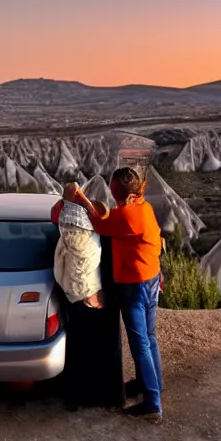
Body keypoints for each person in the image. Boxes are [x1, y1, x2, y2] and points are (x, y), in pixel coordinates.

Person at [61, 168, 164, 422]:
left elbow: (97, 222)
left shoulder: (126, 216)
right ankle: (151, 386)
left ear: (118, 191)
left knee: (139, 343)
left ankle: (152, 404)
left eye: (113, 187)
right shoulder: (144, 208)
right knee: (150, 338)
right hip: (151, 279)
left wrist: (80, 197)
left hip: (134, 285)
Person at [47, 194, 124, 410]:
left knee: (78, 347)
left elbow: (58, 271)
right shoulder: (100, 238)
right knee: (105, 347)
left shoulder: (63, 241)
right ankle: (109, 397)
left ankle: (76, 397)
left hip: (77, 299)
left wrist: (69, 292)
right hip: (102, 297)